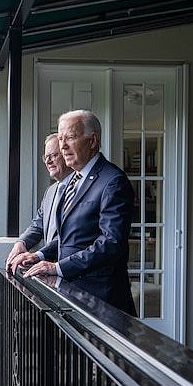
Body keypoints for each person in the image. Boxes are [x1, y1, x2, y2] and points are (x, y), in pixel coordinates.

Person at [19, 109, 136, 316]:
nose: (63, 146)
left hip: (102, 303)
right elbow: (72, 238)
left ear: (92, 141)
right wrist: (39, 255)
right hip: (72, 297)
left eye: (70, 138)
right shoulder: (74, 179)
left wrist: (57, 268)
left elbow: (111, 243)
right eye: (61, 138)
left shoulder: (113, 181)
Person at [5, 134, 71, 273]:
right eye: (45, 157)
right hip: (51, 273)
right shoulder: (51, 191)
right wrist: (22, 242)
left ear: (66, 154)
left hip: (72, 271)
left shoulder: (79, 189)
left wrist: (38, 255)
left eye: (53, 155)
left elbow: (69, 235)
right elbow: (38, 224)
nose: (48, 161)